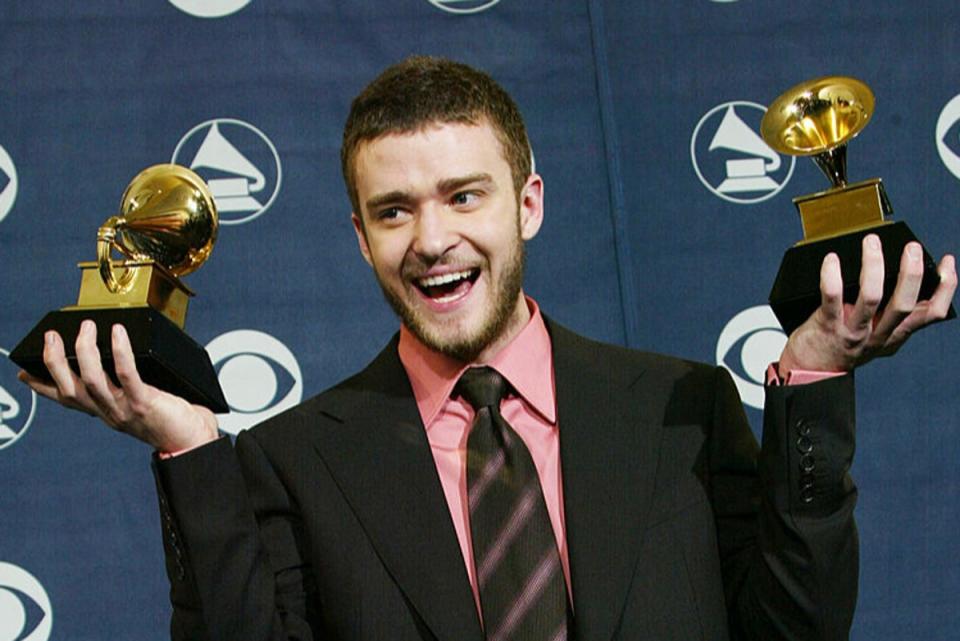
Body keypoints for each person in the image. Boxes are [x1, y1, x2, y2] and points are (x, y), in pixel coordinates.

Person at [19, 56, 957, 641]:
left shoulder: (682, 409)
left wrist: (819, 375)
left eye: (465, 195)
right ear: (359, 236)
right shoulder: (294, 459)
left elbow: (797, 629)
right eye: (395, 210)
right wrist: (189, 447)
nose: (431, 239)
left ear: (529, 204)